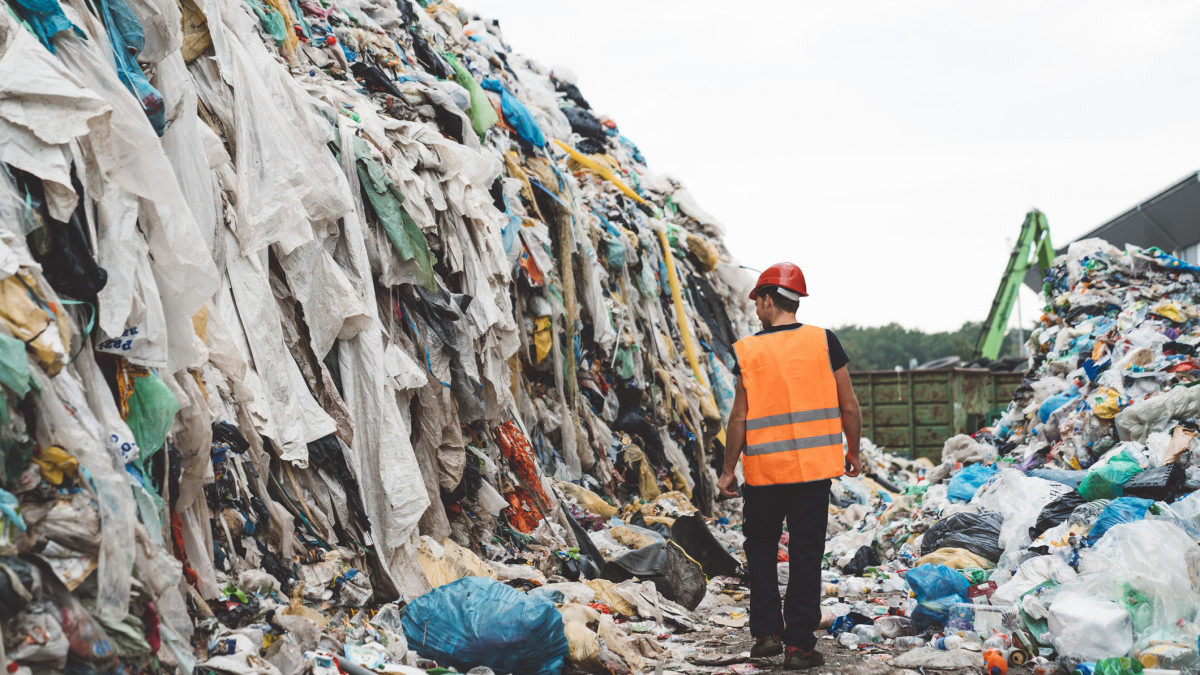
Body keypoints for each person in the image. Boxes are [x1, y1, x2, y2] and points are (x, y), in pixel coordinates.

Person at [716, 262, 862, 670]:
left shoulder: (748, 351)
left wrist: (729, 470)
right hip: (814, 473)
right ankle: (799, 646)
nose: (756, 310)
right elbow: (848, 405)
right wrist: (853, 450)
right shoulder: (824, 341)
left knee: (761, 551)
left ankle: (765, 634)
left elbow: (739, 418)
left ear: (767, 299)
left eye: (757, 301)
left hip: (763, 475)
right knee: (805, 556)